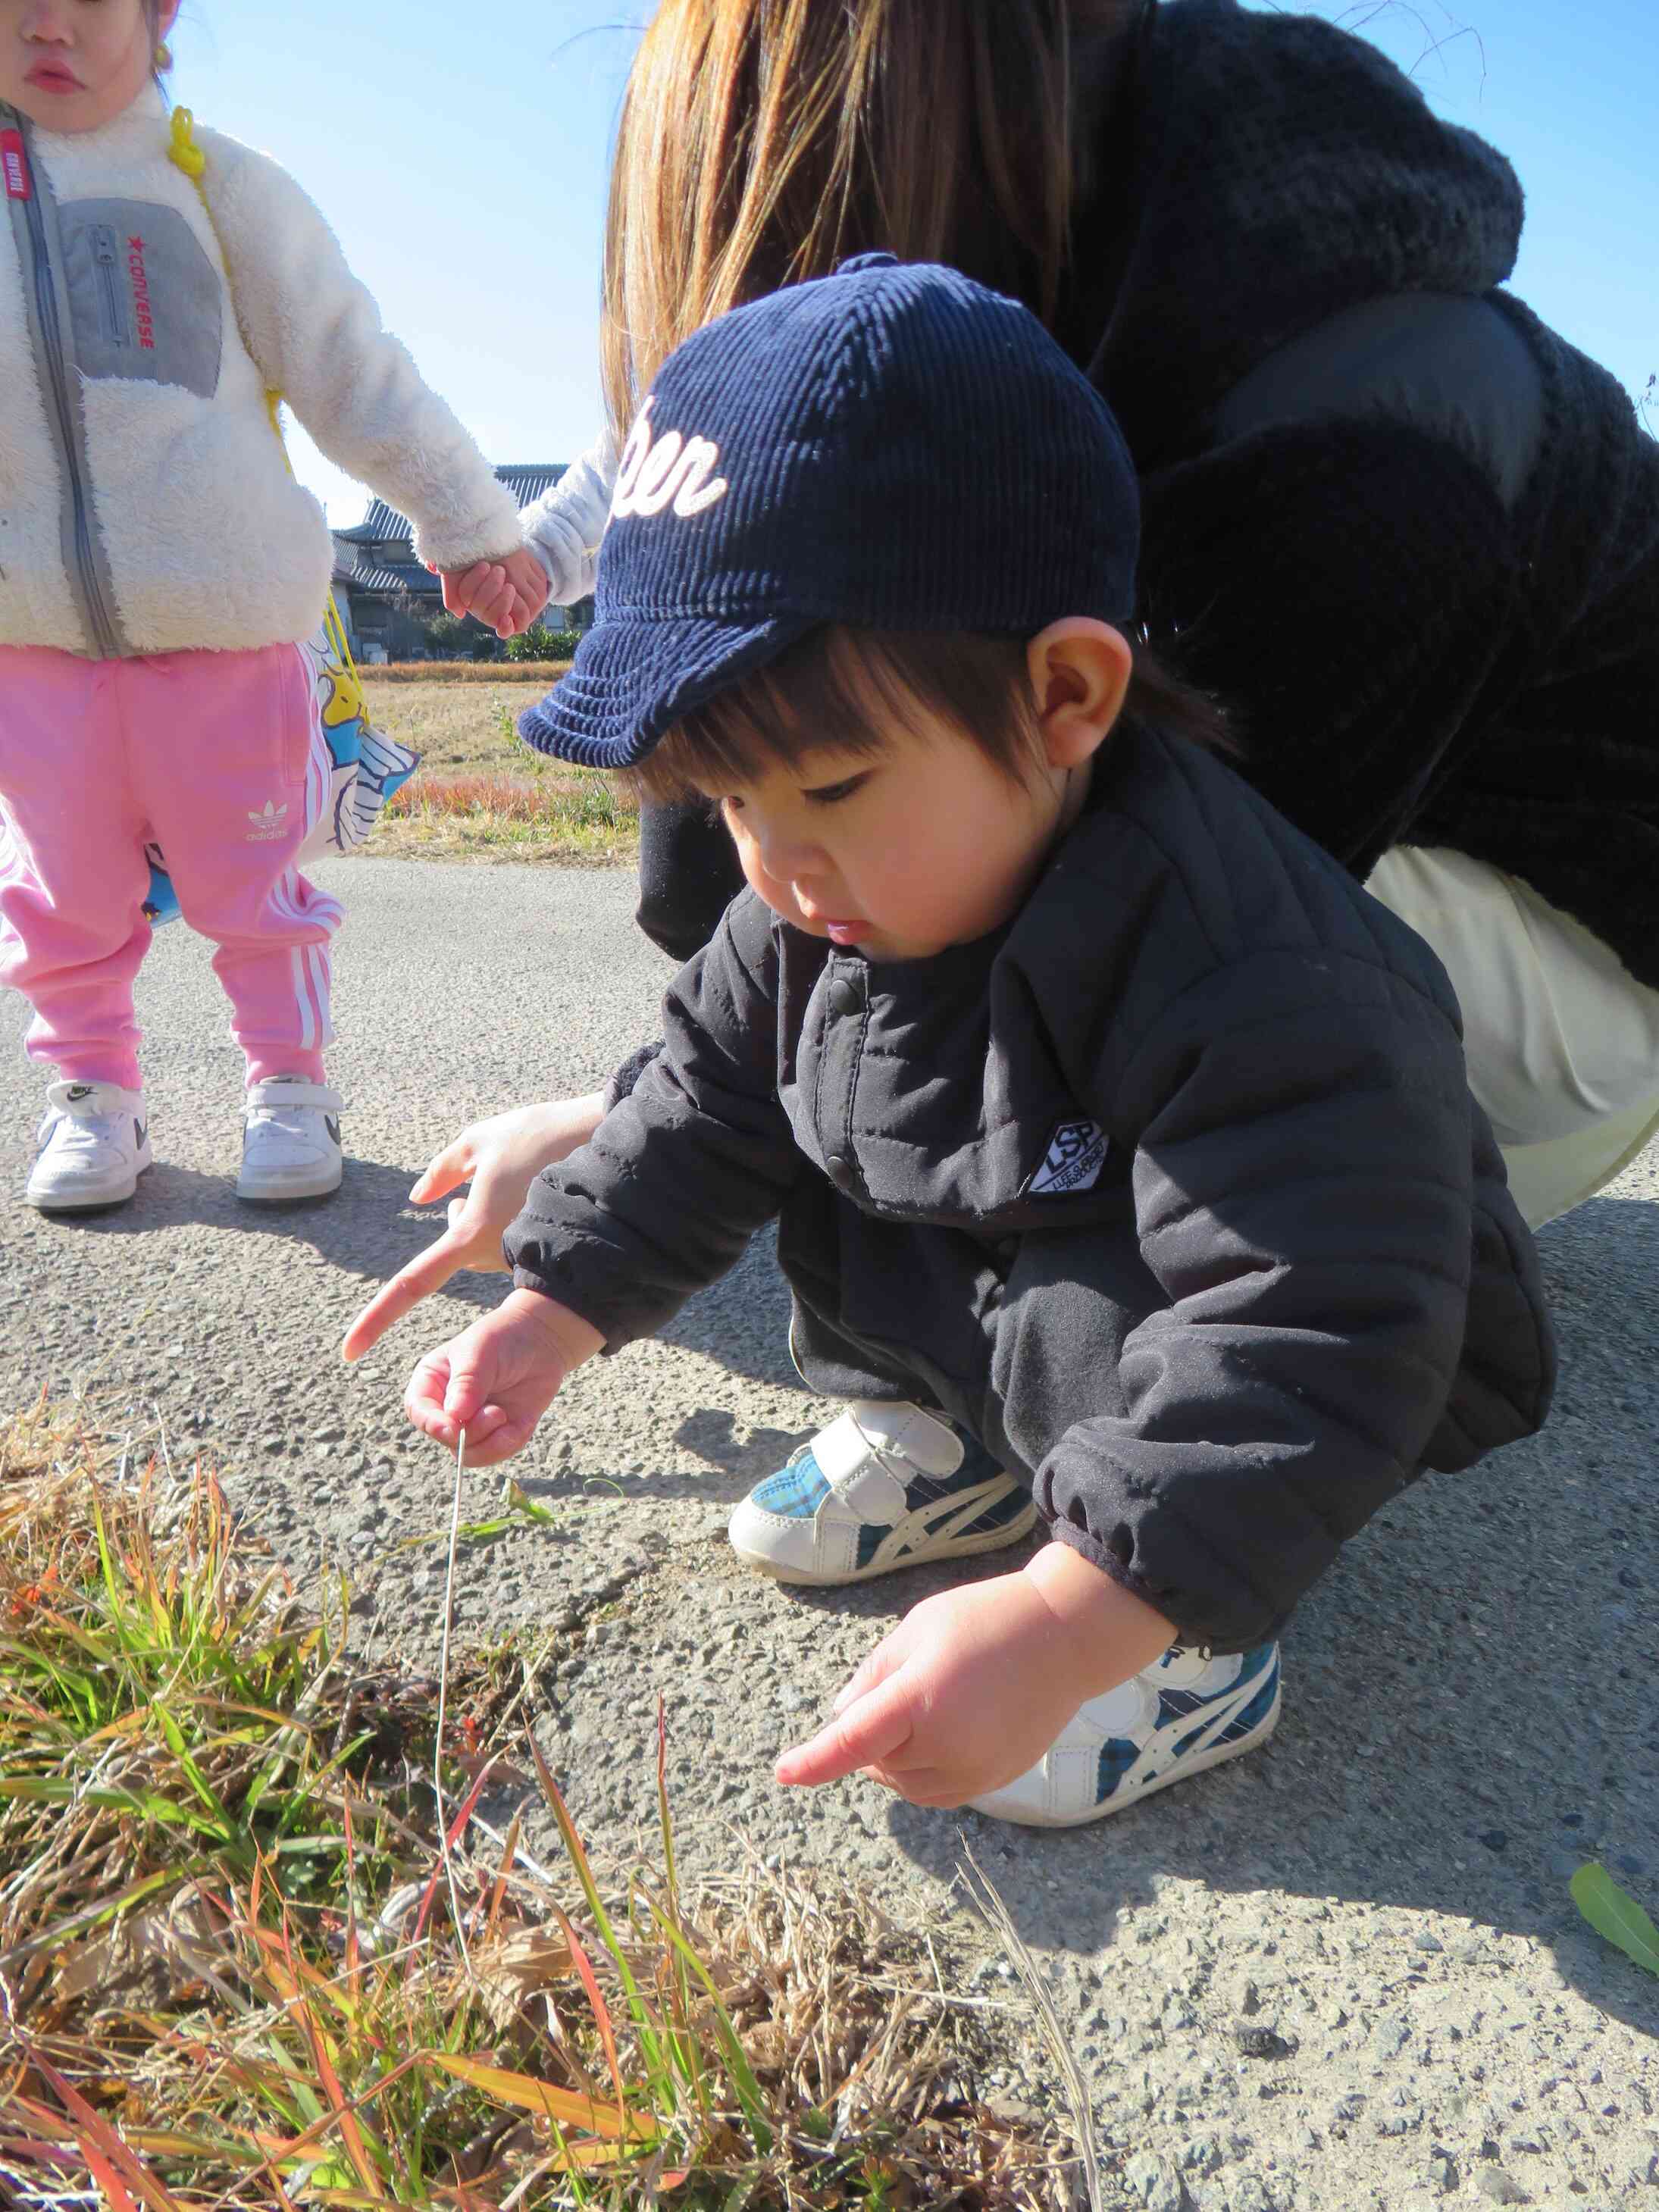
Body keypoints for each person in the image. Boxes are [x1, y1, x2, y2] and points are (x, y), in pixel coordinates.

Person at [349, 0, 1654, 1483]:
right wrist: (623, 1150)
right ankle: (999, 1356)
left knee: (1012, 955)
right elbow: (755, 976)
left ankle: (1140, 1498)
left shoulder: (1367, 411)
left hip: (1568, 947)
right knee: (865, 926)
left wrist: (1099, 1599)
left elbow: (1154, 936)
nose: (760, 850)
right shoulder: (1004, 313)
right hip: (1290, 834)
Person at [396, 255, 1554, 1826]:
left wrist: (1073, 1617)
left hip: (1309, 1319)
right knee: (811, 1120)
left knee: (1100, 1300)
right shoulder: (822, 907)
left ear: (1068, 692)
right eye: (732, 802)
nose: (778, 863)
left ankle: (1190, 1631)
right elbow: (695, 1102)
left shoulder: (1246, 959)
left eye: (830, 786)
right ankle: (968, 1443)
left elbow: (1316, 1310)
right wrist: (555, 1308)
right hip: (1027, 1243)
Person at [0, 0, 549, 1211]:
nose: (48, 21)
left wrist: (469, 524)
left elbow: (351, 365)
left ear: (157, 17)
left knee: (252, 887)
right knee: (59, 898)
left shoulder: (218, 184)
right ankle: (92, 1095)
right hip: (28, 639)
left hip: (229, 624)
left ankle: (289, 1088)